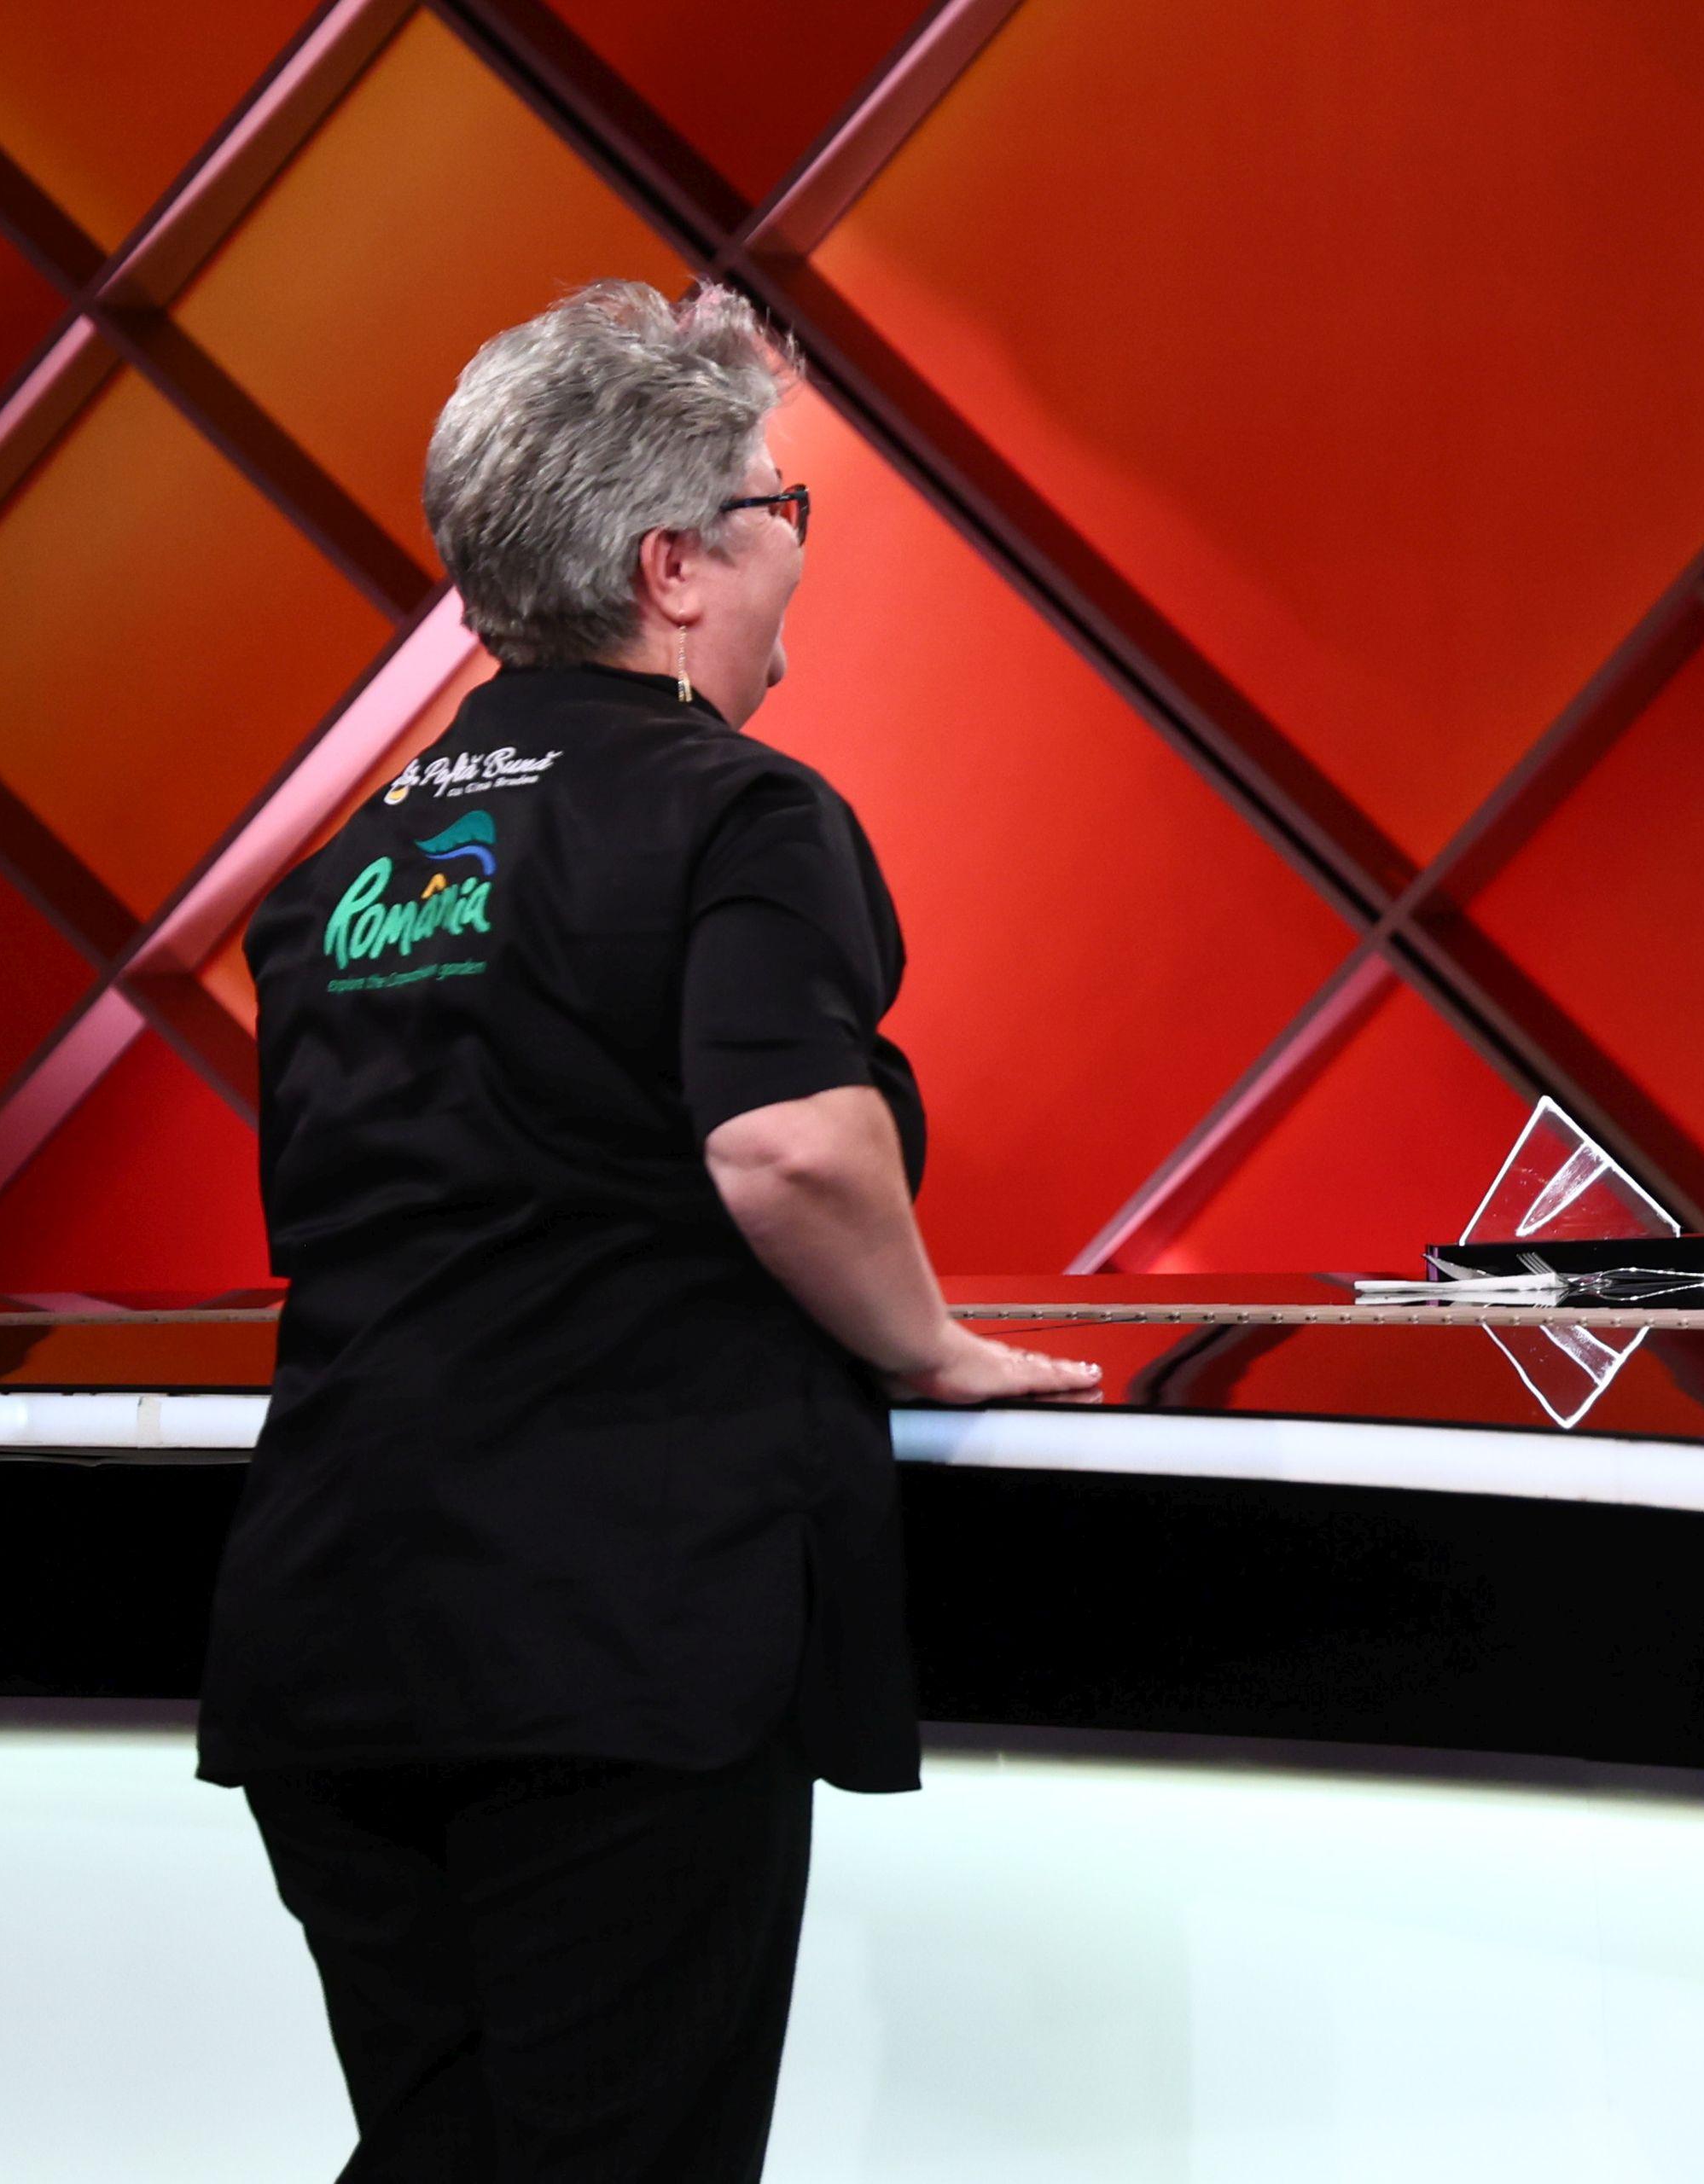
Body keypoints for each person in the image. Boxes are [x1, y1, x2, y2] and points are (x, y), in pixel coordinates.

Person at [198, 279, 1100, 2181]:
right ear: (669, 565)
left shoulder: (344, 872)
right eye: (779, 511)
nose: (797, 560)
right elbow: (787, 1150)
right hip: (614, 1643)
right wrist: (928, 1344)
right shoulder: (733, 813)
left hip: (334, 1638)